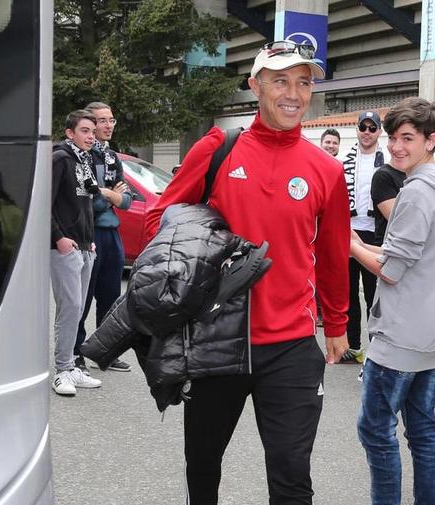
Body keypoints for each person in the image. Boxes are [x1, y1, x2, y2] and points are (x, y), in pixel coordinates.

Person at [144, 40, 350, 505]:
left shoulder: (326, 170)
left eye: (303, 82)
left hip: (292, 345)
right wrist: (206, 253)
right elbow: (161, 218)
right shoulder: (218, 148)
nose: (293, 93)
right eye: (280, 81)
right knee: (203, 463)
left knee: (292, 475)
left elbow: (335, 255)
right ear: (256, 86)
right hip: (218, 339)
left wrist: (336, 324)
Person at [350, 97, 435, 505]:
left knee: (376, 430)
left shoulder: (417, 192)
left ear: (430, 140)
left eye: (407, 138)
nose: (397, 147)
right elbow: (406, 257)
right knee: (422, 429)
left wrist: (349, 245)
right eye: (393, 138)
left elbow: (392, 269)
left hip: (401, 335)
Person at [74, 101, 133, 373]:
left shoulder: (112, 156)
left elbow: (128, 200)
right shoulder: (82, 157)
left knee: (111, 297)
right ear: (91, 125)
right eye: (102, 121)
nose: (109, 125)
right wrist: (111, 196)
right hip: (90, 233)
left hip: (112, 235)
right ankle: (75, 354)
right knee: (82, 298)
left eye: (112, 120)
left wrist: (108, 194)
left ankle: (105, 353)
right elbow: (89, 202)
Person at [50, 110, 103, 396]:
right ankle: (61, 371)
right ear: (70, 133)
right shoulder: (60, 158)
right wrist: (59, 238)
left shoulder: (84, 160)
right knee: (69, 308)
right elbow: (44, 201)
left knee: (78, 309)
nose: (91, 136)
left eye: (92, 132)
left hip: (85, 246)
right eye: (85, 130)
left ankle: (70, 365)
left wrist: (89, 241)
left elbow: (85, 207)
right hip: (64, 247)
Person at [342, 109, 386, 363]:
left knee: (373, 294)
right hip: (349, 230)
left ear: (379, 131)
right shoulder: (346, 160)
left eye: (372, 128)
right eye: (363, 127)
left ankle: (376, 349)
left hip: (375, 234)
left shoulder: (389, 161)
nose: (367, 132)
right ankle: (354, 345)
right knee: (348, 293)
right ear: (357, 129)